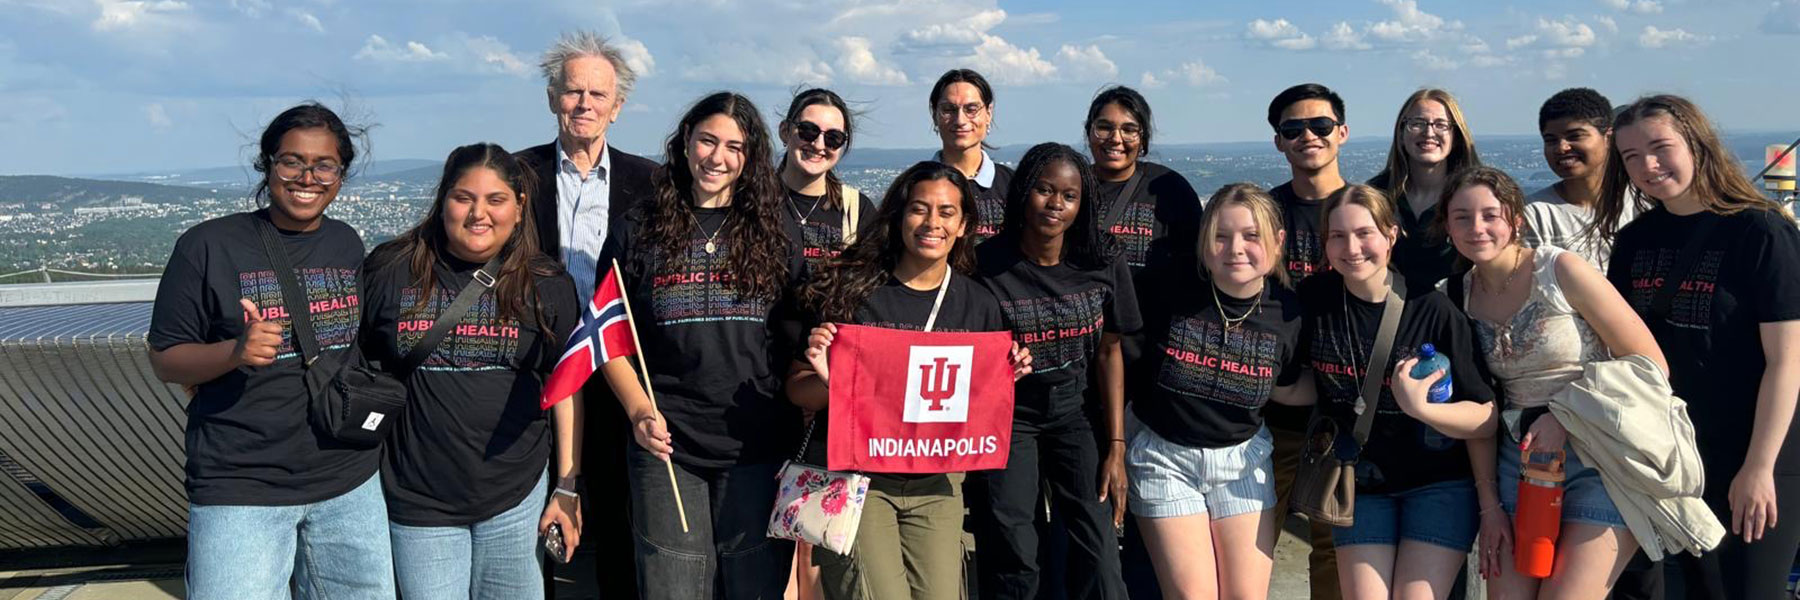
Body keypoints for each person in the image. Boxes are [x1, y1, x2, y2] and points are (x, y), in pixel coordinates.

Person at [148, 103, 394, 598]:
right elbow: (165, 359)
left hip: (348, 479)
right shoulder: (208, 246)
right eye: (291, 162)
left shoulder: (346, 242)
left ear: (340, 175)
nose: (307, 178)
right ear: (268, 165)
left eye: (324, 165)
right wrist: (234, 352)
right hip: (242, 485)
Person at [786, 161, 1032, 600]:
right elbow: (797, 389)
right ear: (899, 216)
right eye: (919, 209)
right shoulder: (853, 291)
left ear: (964, 226)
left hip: (937, 482)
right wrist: (831, 380)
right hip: (858, 480)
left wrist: (1005, 375)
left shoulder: (978, 305)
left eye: (946, 212)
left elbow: (975, 405)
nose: (932, 222)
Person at [597, 91, 804, 599]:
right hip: (666, 444)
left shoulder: (776, 229)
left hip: (757, 445)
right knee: (674, 588)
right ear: (686, 140)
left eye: (735, 147)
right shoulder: (637, 228)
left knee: (755, 587)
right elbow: (608, 337)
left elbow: (797, 333)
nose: (717, 157)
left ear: (750, 156)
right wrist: (640, 412)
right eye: (708, 140)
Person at [1593, 94, 1800, 599]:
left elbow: (1787, 361)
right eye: (1632, 156)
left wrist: (1759, 467)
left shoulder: (1761, 231)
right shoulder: (1634, 241)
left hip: (1759, 449)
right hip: (1675, 456)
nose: (1648, 165)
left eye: (1660, 147)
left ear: (1697, 144)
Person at [362, 143, 582, 598]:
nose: (478, 213)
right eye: (464, 198)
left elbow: (564, 385)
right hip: (418, 498)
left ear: (519, 208)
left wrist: (566, 486)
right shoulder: (391, 271)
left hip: (515, 498)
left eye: (495, 200)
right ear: (443, 200)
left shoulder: (545, 283)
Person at [1437, 166, 1660, 597]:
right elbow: (1478, 408)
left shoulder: (1560, 270)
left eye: (1490, 215)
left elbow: (1649, 361)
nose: (1477, 227)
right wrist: (1489, 507)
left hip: (1600, 455)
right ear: (1447, 226)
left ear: (1516, 220)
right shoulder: (1454, 295)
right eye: (1462, 217)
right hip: (1518, 462)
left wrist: (1563, 416)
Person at [1300, 184, 1496, 599]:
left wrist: (1423, 409)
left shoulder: (1432, 308)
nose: (1352, 248)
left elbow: (1485, 416)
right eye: (1338, 236)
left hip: (1438, 484)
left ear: (1391, 235)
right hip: (1360, 483)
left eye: (1364, 233)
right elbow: (1298, 382)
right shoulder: (1313, 301)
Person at [515, 31, 658, 595]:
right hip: (536, 369)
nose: (585, 104)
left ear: (617, 108)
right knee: (539, 524)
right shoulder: (516, 176)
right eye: (573, 91)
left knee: (622, 516)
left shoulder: (650, 183)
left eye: (598, 95)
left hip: (620, 367)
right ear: (552, 98)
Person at [1126, 183, 1313, 599]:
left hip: (1242, 460)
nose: (1235, 249)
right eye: (1221, 236)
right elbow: (1114, 342)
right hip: (1165, 457)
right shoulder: (1168, 286)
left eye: (1251, 235)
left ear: (1278, 242)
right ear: (1204, 242)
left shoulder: (1289, 313)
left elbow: (1287, 388)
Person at [972, 142, 1138, 599]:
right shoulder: (986, 265)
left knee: (1099, 548)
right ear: (1023, 192)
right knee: (1015, 548)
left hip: (1076, 412)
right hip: (1009, 418)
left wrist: (1116, 446)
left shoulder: (1101, 258)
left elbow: (1110, 352)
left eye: (1069, 195)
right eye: (1044, 190)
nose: (1055, 204)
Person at [1260, 82, 1348, 599]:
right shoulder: (1264, 214)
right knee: (1252, 543)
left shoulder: (1367, 210)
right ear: (1279, 141)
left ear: (1342, 132)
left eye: (1320, 125)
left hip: (1343, 411)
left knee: (1334, 550)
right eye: (1293, 129)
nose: (1308, 136)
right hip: (1272, 411)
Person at [1368, 88, 1482, 287]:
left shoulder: (1476, 195)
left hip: (1456, 304)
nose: (1429, 133)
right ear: (1401, 133)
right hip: (1390, 304)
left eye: (1441, 125)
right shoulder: (1377, 195)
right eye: (1417, 123)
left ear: (1455, 136)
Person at [1521, 87, 1635, 271]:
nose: (1562, 148)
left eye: (1575, 136)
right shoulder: (1534, 214)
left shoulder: (1642, 204)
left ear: (1608, 137)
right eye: (1551, 140)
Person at [779, 87, 878, 267]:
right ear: (785, 131)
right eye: (808, 131)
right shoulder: (751, 201)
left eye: (833, 138)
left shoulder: (856, 210)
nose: (819, 145)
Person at [929, 68, 1014, 245]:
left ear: (988, 113)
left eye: (971, 109)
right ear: (934, 115)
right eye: (949, 109)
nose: (960, 120)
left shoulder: (1012, 185)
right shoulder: (916, 185)